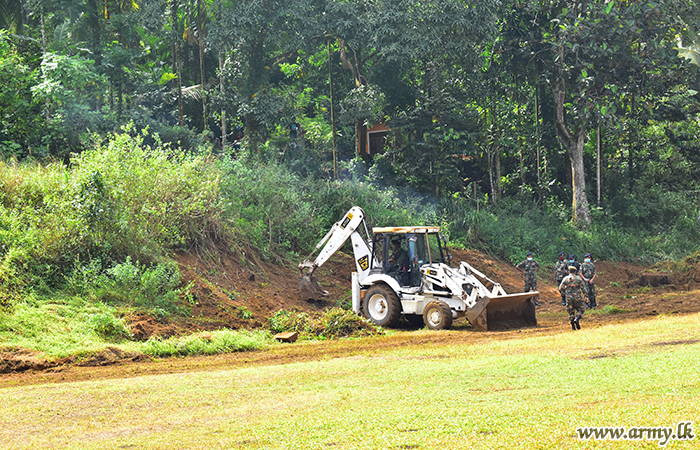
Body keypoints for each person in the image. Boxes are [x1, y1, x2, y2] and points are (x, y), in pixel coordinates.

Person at [559, 265, 588, 330]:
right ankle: (577, 319)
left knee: (571, 311)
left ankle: (573, 327)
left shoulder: (565, 278)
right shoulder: (578, 278)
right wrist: (586, 296)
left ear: (569, 271)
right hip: (577, 297)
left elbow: (561, 288)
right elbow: (584, 289)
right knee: (581, 309)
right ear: (575, 272)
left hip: (568, 297)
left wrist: (566, 289)